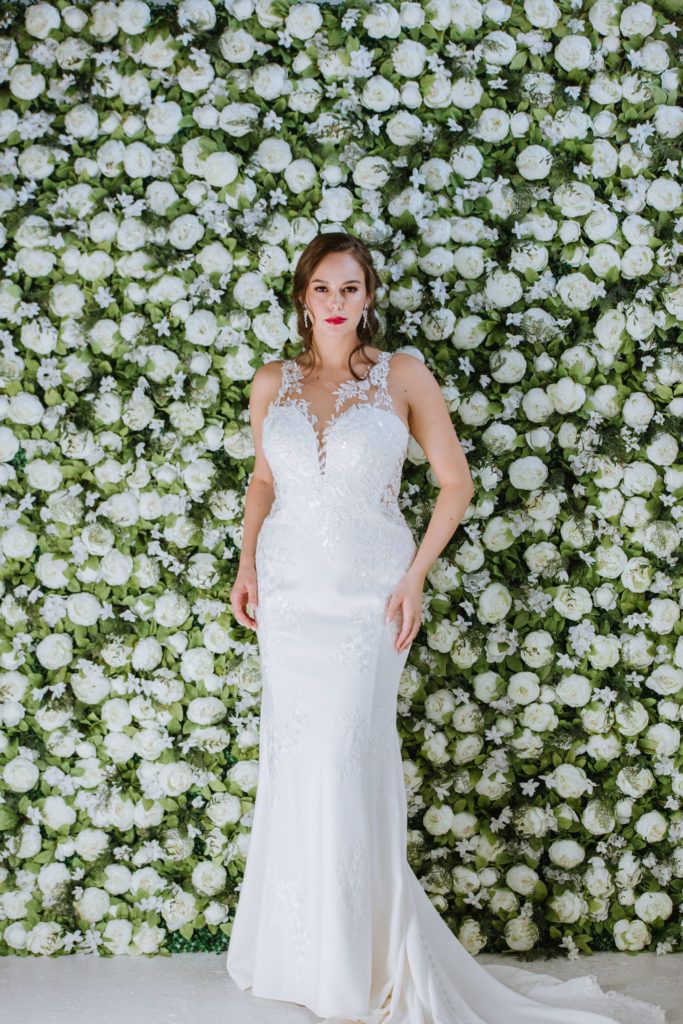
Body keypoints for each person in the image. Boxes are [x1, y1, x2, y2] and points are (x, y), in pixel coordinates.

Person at [225, 233, 666, 1024]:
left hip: (368, 598)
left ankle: (359, 958)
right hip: (288, 598)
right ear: (301, 297)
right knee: (294, 762)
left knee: (343, 758)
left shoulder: (402, 375)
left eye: (350, 289)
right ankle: (296, 952)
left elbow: (452, 484)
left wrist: (413, 576)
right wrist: (246, 565)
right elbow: (263, 481)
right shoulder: (270, 383)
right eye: (322, 289)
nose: (335, 303)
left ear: (368, 297)